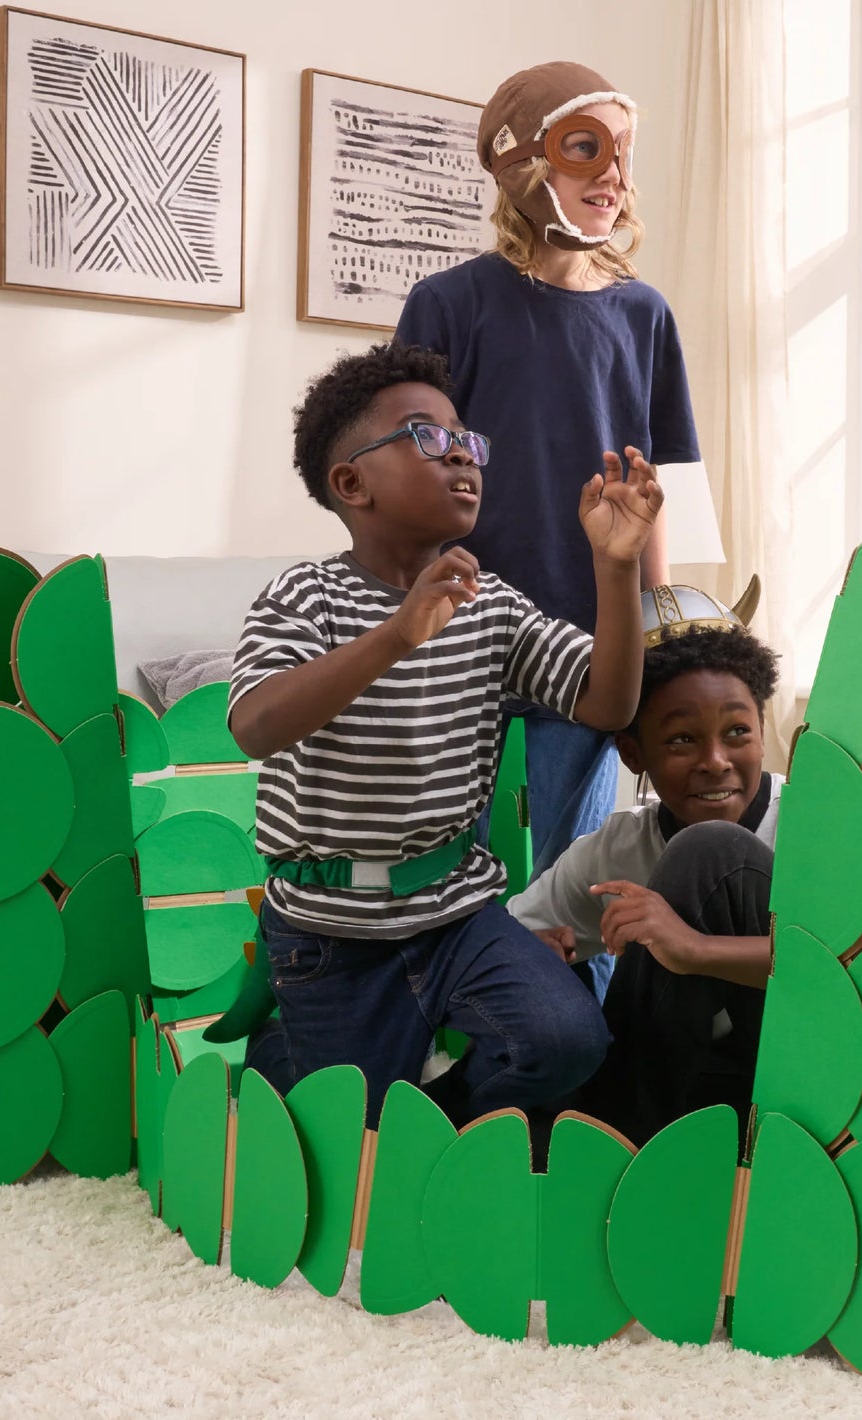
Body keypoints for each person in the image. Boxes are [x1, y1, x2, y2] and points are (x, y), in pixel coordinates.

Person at [227, 342, 663, 1130]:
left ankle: (437, 1122)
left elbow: (606, 701)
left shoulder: (490, 602)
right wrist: (397, 634)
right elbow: (256, 725)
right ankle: (287, 1054)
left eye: (467, 437)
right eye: (427, 435)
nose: (462, 450)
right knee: (344, 1126)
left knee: (568, 1040)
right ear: (351, 483)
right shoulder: (304, 595)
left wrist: (615, 567)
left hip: (456, 913)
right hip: (329, 931)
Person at [394, 63, 703, 976]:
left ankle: (584, 1064)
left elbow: (655, 492)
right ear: (522, 165)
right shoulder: (449, 304)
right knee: (460, 871)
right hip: (470, 637)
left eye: (622, 153)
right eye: (585, 148)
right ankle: (465, 1053)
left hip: (592, 644)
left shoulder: (644, 314)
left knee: (582, 875)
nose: (613, 174)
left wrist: (659, 635)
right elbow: (408, 474)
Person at [507, 602, 782, 1150]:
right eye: (682, 740)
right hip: (681, 1086)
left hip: (789, 1076)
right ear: (633, 754)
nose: (715, 760)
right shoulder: (617, 847)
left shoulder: (815, 822)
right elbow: (510, 936)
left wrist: (694, 948)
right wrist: (530, 959)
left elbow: (853, 970)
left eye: (737, 732)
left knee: (709, 851)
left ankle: (615, 1149)